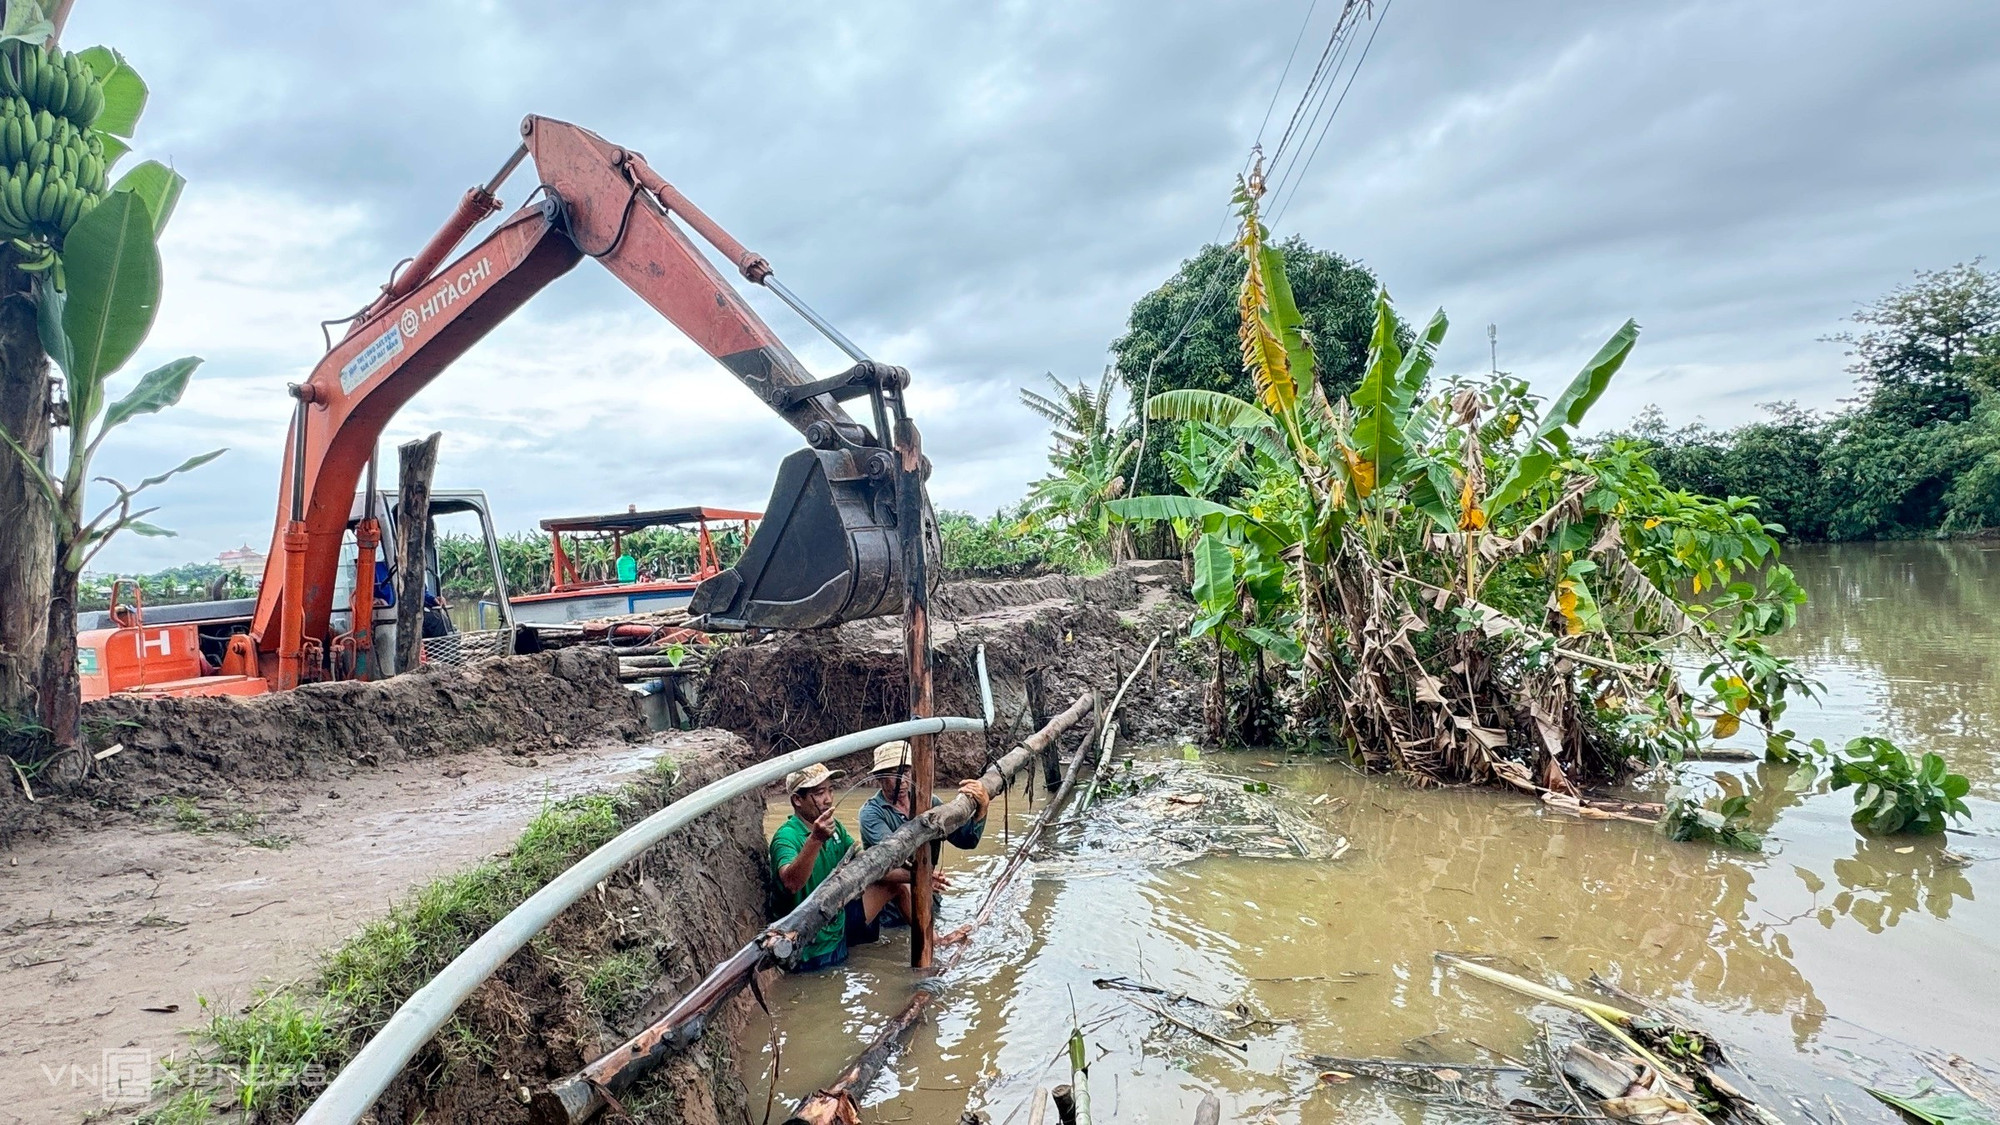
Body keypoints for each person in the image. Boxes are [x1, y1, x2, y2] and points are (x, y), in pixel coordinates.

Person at [768, 763, 907, 972]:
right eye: (819, 793)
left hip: (836, 925)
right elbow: (791, 883)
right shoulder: (786, 837)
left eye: (830, 790)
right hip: (808, 945)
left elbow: (863, 862)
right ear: (797, 800)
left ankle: (935, 940)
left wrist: (915, 875)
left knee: (897, 885)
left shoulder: (836, 828)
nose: (828, 799)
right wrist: (815, 839)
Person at [859, 740, 991, 926]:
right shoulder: (872, 813)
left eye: (905, 771)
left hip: (929, 896)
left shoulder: (928, 802)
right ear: (879, 778)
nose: (902, 780)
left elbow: (967, 840)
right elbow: (891, 859)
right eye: (893, 774)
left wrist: (982, 807)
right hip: (891, 910)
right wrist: (924, 876)